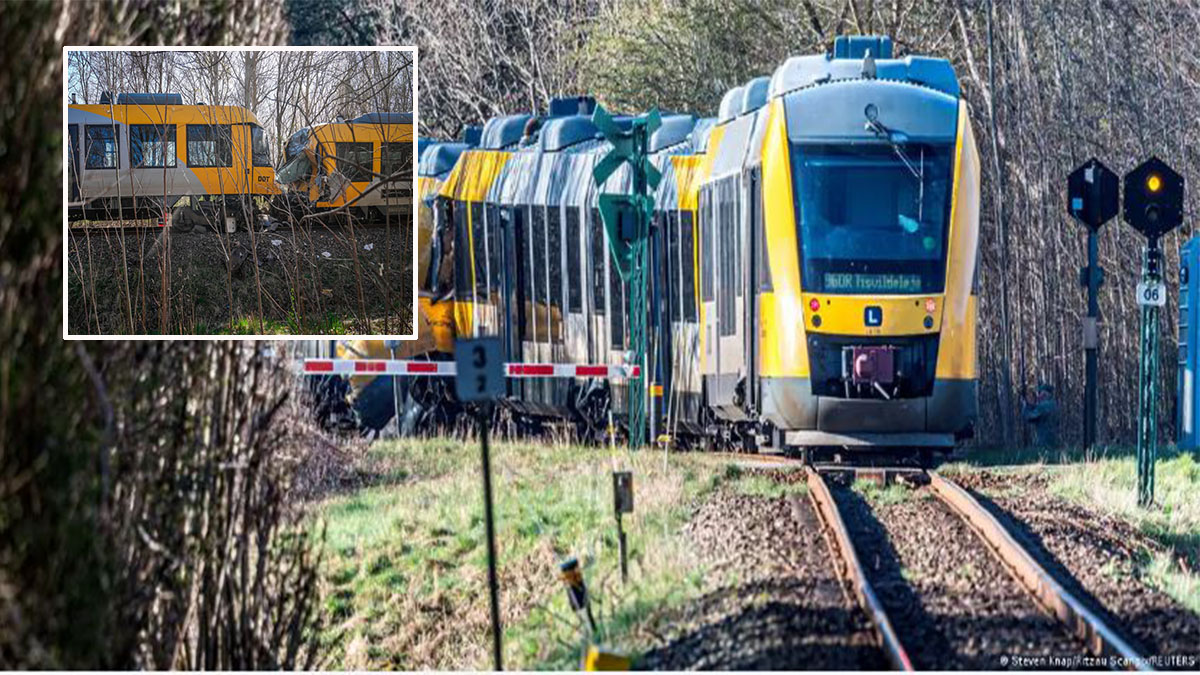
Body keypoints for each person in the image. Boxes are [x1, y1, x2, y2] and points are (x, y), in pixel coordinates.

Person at [1022, 383, 1059, 447]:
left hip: (1044, 442)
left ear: (1045, 394)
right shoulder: (1055, 404)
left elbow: (1030, 417)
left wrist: (1027, 406)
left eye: (1040, 393)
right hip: (1056, 440)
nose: (1038, 395)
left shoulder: (1042, 406)